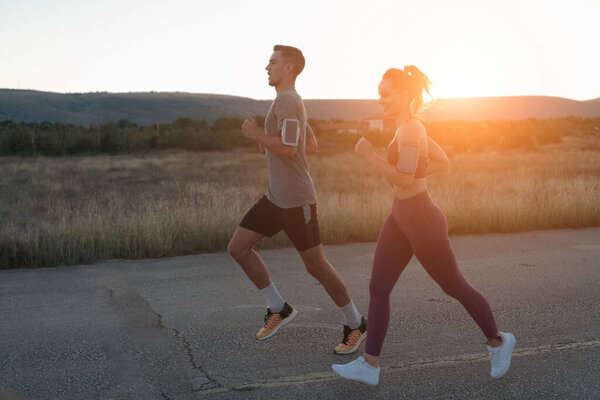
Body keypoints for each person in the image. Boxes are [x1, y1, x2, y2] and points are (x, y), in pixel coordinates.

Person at [331, 66, 515, 385]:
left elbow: (404, 177)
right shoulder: (408, 128)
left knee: (453, 285)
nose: (380, 101)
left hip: (422, 220)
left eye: (385, 95)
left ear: (403, 94)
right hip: (399, 217)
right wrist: (417, 173)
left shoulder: (412, 129)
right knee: (378, 288)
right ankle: (370, 364)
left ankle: (498, 341)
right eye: (379, 95)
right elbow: (440, 161)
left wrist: (370, 156)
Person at [228, 45, 367, 354]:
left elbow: (291, 149)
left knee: (316, 265)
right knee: (238, 247)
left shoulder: (288, 100)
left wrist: (257, 136)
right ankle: (279, 307)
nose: (267, 67)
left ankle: (355, 323)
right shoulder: (287, 102)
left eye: (273, 62)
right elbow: (309, 145)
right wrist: (270, 143)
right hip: (276, 198)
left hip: (297, 201)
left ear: (288, 68)